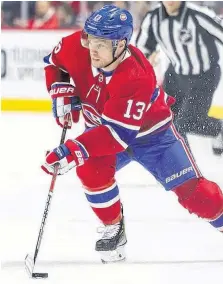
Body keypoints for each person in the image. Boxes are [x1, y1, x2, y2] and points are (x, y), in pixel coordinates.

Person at [42, 5, 223, 263]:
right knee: (90, 168)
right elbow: (53, 62)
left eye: (102, 43)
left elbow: (116, 136)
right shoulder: (78, 45)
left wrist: (71, 150)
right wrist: (59, 87)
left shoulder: (136, 75)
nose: (92, 48)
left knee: (199, 197)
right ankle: (114, 229)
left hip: (155, 139)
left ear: (121, 45)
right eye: (90, 38)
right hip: (105, 131)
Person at [136, 1, 223, 155]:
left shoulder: (199, 14)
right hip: (175, 76)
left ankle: (219, 128)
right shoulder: (153, 18)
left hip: (204, 76)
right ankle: (184, 167)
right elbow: (142, 49)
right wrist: (147, 58)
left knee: (186, 123)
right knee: (167, 122)